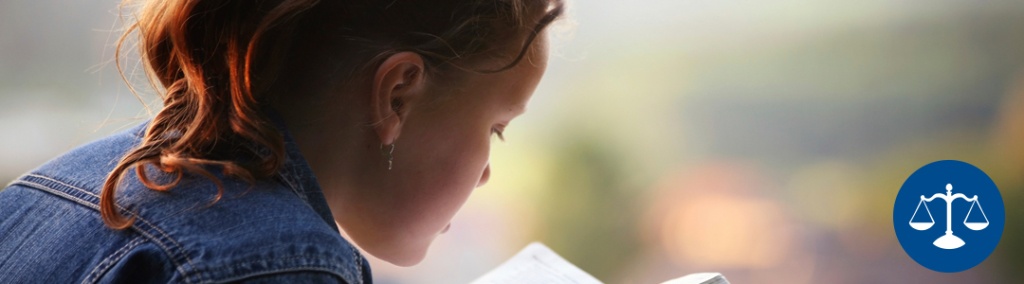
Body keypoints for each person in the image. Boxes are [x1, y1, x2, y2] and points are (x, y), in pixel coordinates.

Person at [0, 0, 564, 282]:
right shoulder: (280, 265)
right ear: (397, 96)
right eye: (496, 128)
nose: (488, 171)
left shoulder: (54, 188)